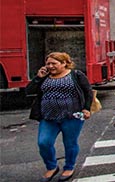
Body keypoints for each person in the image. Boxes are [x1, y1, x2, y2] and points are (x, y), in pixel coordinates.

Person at [27, 52, 93, 182]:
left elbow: (88, 91)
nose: (50, 66)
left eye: (54, 63)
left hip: (72, 116)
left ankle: (69, 167)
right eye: (48, 63)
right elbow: (29, 91)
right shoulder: (44, 77)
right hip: (48, 117)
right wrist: (38, 78)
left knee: (70, 143)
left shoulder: (76, 75)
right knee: (44, 142)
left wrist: (86, 108)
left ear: (64, 63)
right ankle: (51, 166)